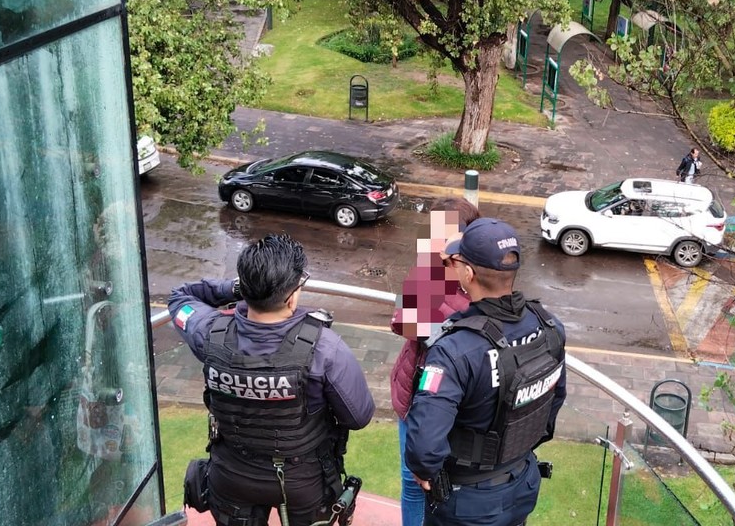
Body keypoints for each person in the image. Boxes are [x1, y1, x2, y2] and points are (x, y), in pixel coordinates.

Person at [169, 234, 375, 526]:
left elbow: (180, 297)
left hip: (231, 476)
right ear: (291, 296)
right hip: (303, 482)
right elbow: (359, 415)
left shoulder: (208, 333)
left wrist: (238, 288)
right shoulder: (326, 349)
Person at [405, 218, 567, 526]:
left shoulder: (455, 350)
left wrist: (424, 468)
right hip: (522, 482)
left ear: (467, 274)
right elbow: (555, 399)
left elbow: (424, 443)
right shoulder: (550, 327)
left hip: (468, 501)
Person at [390, 197, 481, 526]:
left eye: (443, 234)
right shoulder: (431, 270)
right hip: (414, 394)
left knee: (452, 486)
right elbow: (403, 323)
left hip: (452, 401)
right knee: (412, 482)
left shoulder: (478, 281)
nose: (433, 241)